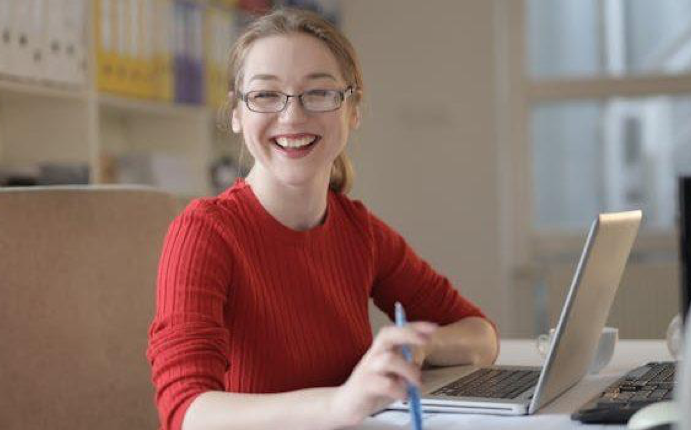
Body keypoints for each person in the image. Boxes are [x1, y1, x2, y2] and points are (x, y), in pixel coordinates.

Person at [147, 8, 499, 430]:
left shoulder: (359, 230)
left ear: (352, 111)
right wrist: (342, 404)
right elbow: (186, 412)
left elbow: (482, 336)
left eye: (318, 93)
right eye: (265, 95)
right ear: (238, 115)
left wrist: (418, 348)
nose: (292, 116)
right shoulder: (205, 232)